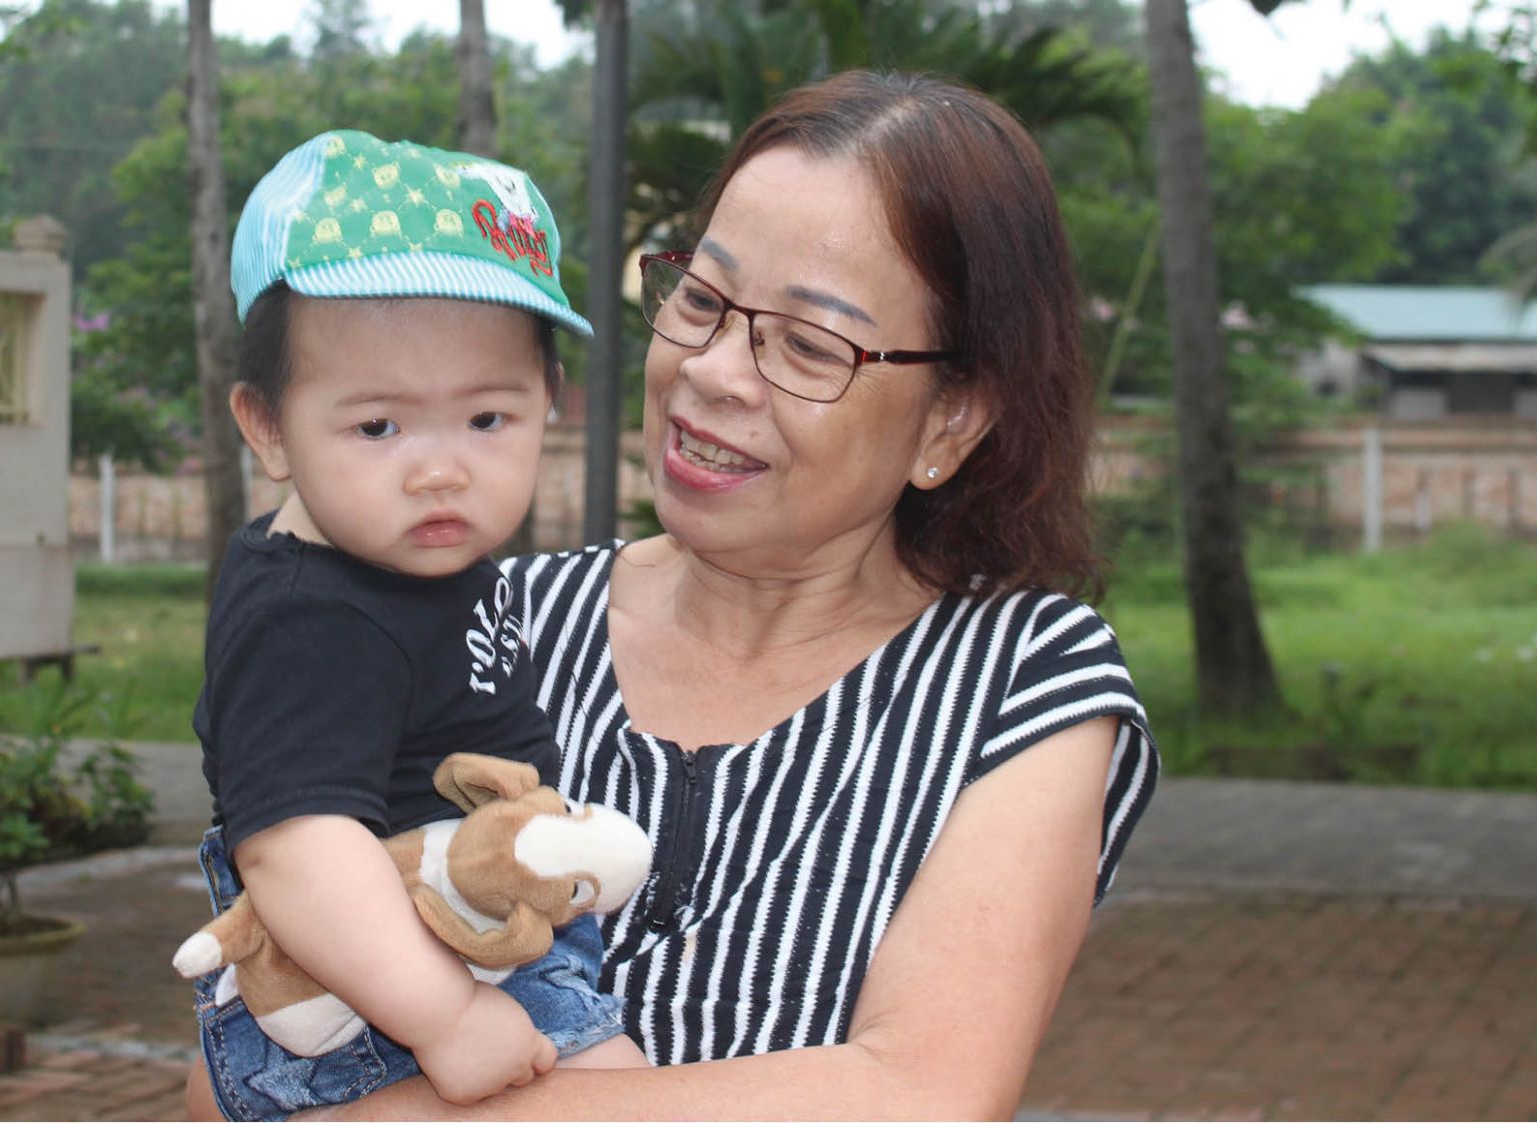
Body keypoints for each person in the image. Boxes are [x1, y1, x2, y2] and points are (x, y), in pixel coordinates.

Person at [187, 69, 1159, 1121]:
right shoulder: (485, 619)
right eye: (701, 298)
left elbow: (921, 1093)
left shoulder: (1021, 682)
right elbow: (237, 1058)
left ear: (950, 420)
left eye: (809, 344)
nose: (713, 370)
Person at [186, 130, 646, 1122]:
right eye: (378, 426)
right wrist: (443, 1015)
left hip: (468, 934)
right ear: (267, 426)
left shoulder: (417, 560)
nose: (441, 469)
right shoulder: (310, 616)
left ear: (547, 403)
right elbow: (295, 852)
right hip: (377, 982)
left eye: (486, 420)